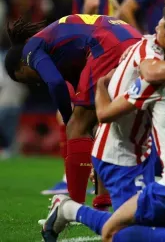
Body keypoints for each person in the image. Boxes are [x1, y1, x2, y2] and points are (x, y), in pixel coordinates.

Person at [41, 7, 165, 242]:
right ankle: (69, 209)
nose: (155, 28)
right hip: (124, 155)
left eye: (161, 25)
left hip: (151, 159)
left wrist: (102, 86)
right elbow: (150, 76)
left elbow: (108, 111)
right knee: (131, 228)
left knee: (128, 229)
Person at [4, 15, 143, 206]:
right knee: (103, 126)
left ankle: (72, 208)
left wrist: (69, 119)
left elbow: (55, 83)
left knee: (77, 126)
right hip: (135, 41)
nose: (35, 82)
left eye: (26, 79)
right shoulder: (64, 55)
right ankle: (102, 201)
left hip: (107, 44)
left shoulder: (30, 49)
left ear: (21, 66)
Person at [42, 0, 119, 196]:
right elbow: (115, 5)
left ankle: (71, 178)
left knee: (72, 115)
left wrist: (84, 32)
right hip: (108, 47)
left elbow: (93, 2)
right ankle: (98, 178)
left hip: (94, 49)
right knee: (94, 116)